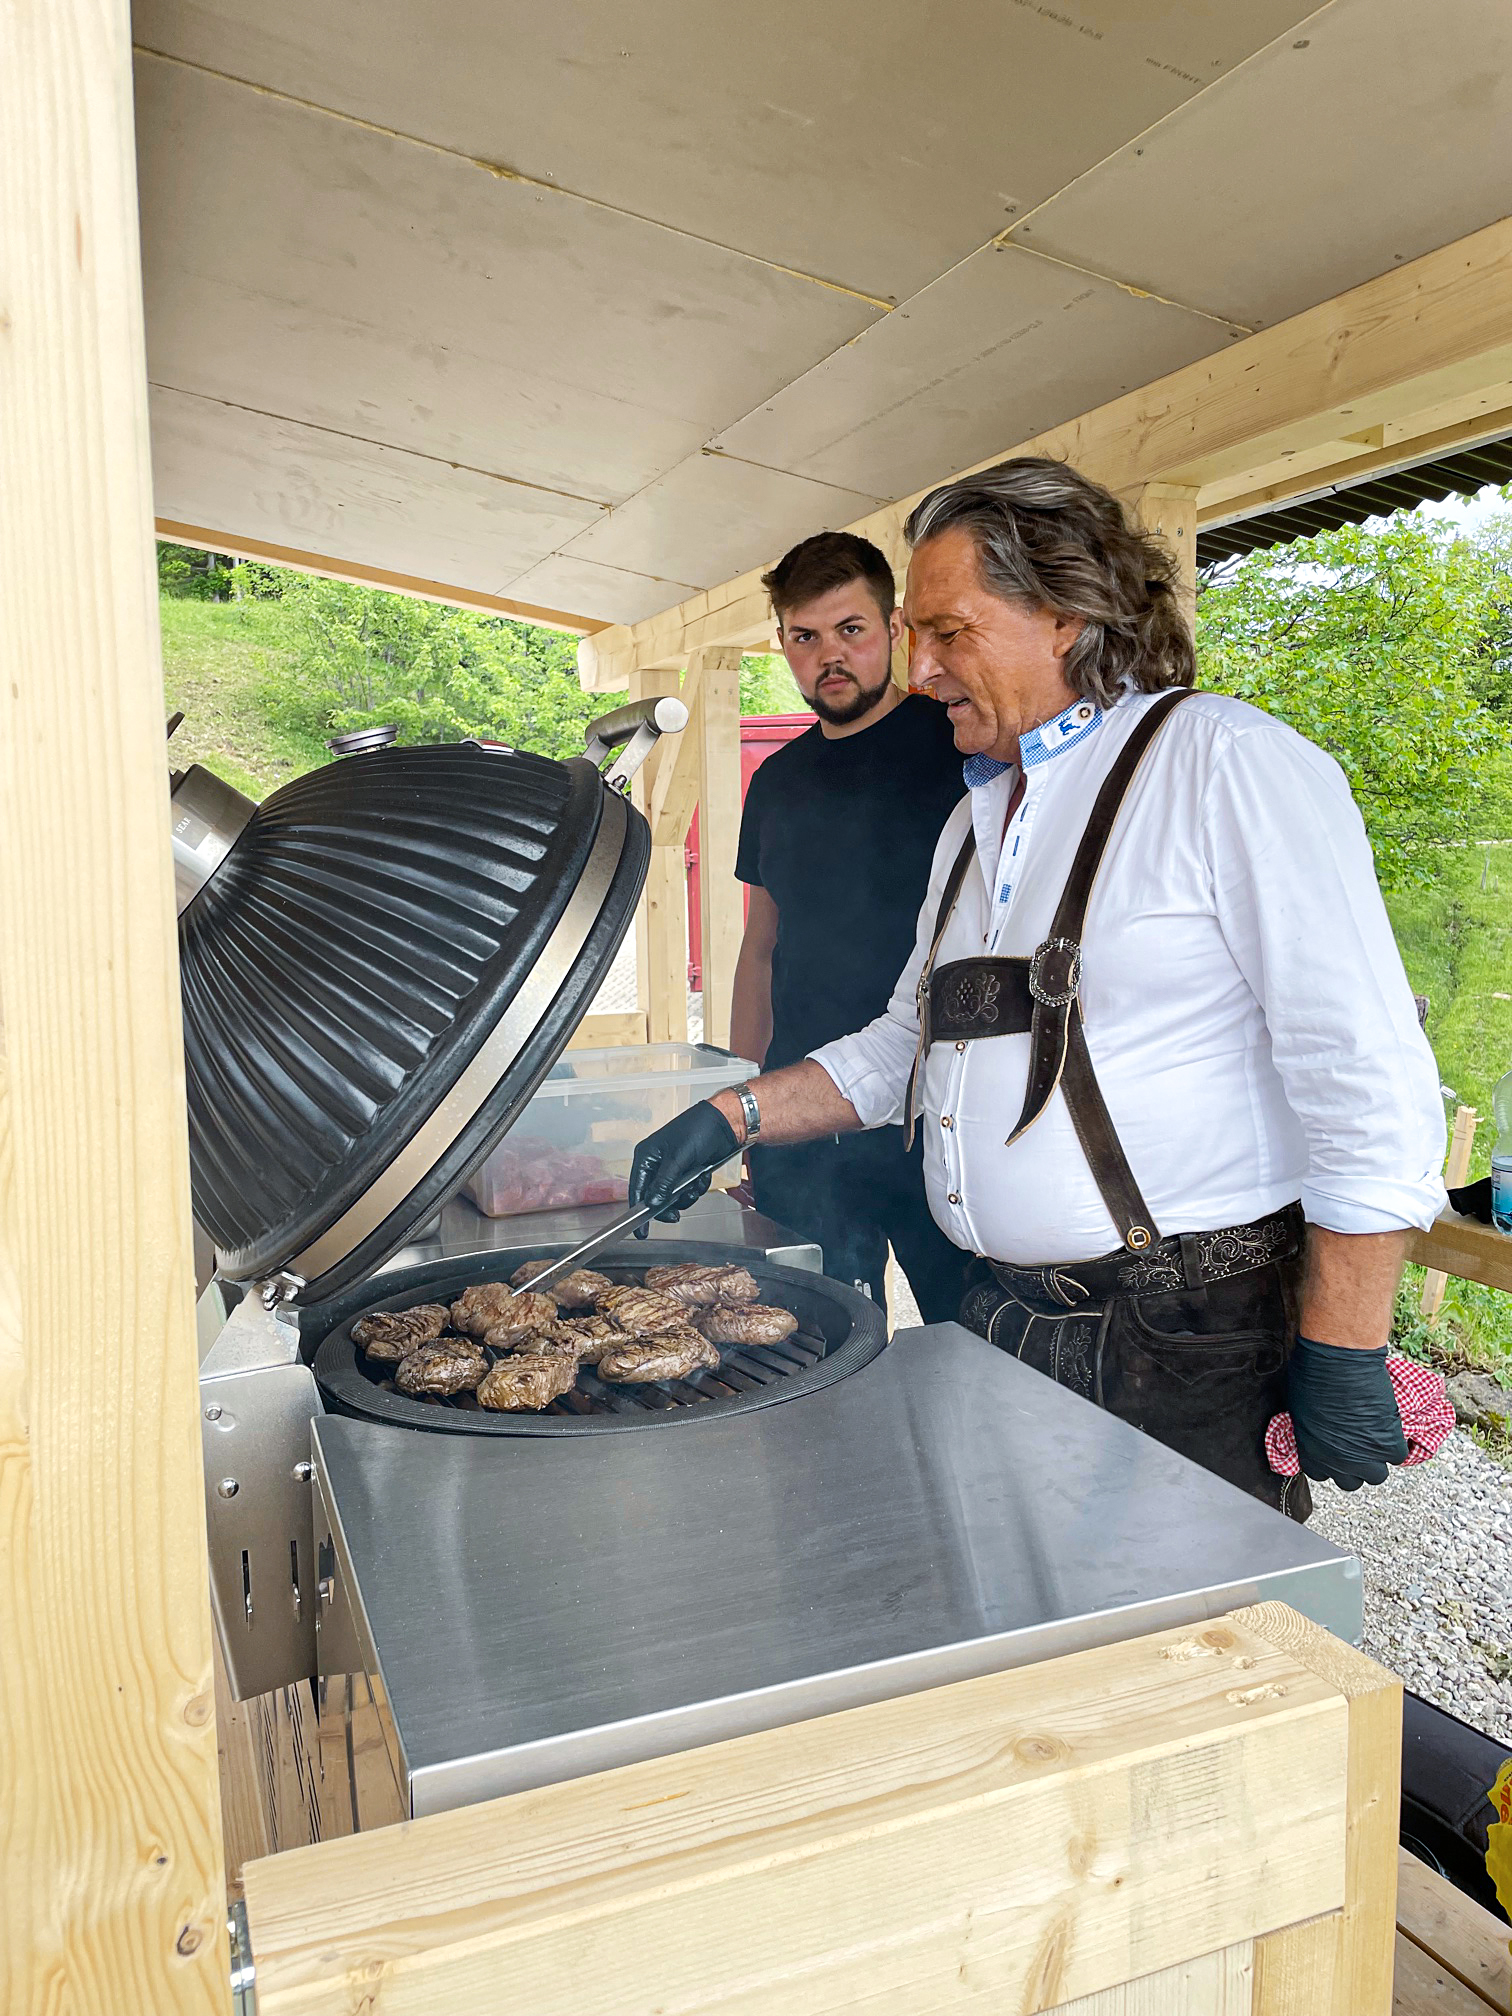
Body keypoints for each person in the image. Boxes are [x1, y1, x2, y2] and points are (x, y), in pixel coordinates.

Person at [629, 457, 1447, 1520]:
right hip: (1004, 1320)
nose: (921, 672)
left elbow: (1365, 1077)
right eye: (916, 636)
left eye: (948, 631)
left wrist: (1345, 1341)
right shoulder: (977, 820)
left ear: (1065, 612)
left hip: (1183, 1339)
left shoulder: (1222, 763)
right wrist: (733, 1112)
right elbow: (903, 1044)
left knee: (1185, 1665)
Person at [729, 530, 971, 1322]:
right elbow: (760, 947)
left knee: (971, 1343)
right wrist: (742, 1106)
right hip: (805, 1123)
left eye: (851, 630)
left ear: (894, 630)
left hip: (937, 1116)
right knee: (820, 1344)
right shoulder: (775, 781)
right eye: (807, 637)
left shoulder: (962, 749)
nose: (830, 656)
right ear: (784, 644)